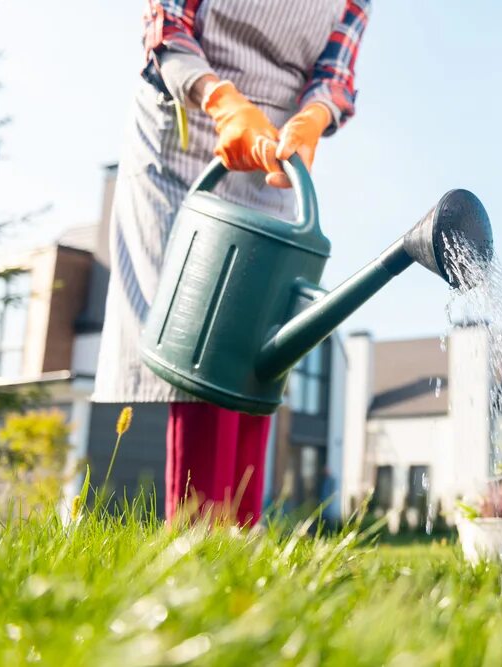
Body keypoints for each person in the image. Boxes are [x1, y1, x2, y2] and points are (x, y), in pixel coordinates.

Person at [93, 0, 371, 525]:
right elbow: (166, 24)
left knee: (257, 345)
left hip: (275, 153)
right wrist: (223, 102)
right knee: (196, 336)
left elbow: (335, 74)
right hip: (185, 128)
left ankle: (239, 538)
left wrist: (313, 118)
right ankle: (198, 539)